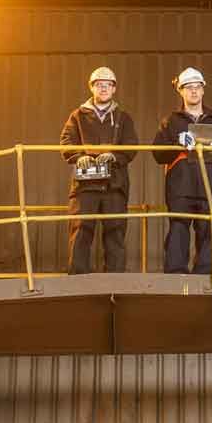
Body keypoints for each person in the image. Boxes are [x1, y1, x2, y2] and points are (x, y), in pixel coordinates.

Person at [150, 66, 212, 275]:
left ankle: (207, 276)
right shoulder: (171, 122)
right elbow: (157, 154)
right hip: (181, 187)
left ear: (203, 90)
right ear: (180, 91)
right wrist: (176, 143)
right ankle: (175, 275)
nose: (193, 91)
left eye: (197, 87)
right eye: (188, 87)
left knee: (211, 231)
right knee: (178, 230)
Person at [58, 66, 137, 274]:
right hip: (85, 185)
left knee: (115, 232)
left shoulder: (123, 118)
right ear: (91, 88)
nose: (103, 88)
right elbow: (66, 141)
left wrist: (114, 156)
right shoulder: (77, 116)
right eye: (99, 85)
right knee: (81, 230)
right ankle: (77, 279)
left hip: (115, 184)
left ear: (114, 89)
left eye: (107, 85)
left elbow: (131, 145)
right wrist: (79, 157)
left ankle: (115, 280)